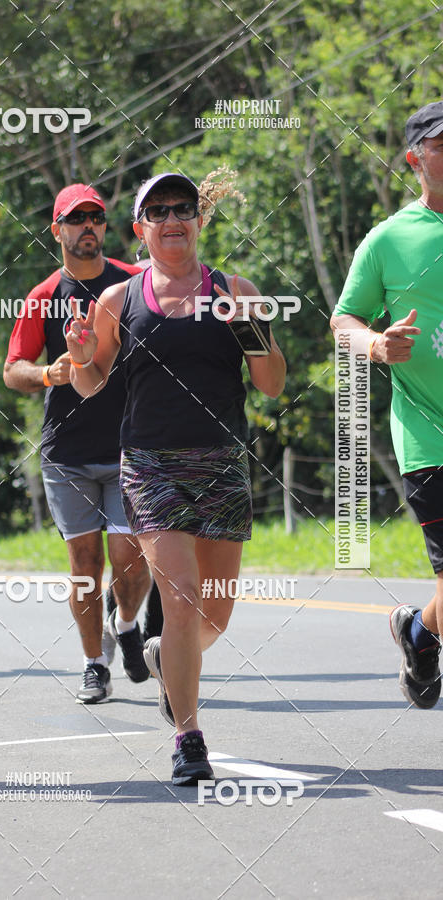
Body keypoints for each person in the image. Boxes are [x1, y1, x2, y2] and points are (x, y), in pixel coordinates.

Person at [68, 171, 286, 784]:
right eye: (157, 210)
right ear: (140, 228)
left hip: (221, 462)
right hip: (150, 466)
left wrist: (251, 324)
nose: (172, 219)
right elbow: (91, 386)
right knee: (183, 598)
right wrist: (83, 353)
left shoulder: (234, 289)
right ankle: (189, 738)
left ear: (198, 219)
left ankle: (169, 656)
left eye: (183, 208)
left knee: (213, 614)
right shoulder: (119, 301)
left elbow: (271, 385)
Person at [4, 183, 162, 705]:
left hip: (129, 446)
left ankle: (128, 620)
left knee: (130, 557)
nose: (87, 226)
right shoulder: (44, 296)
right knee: (84, 564)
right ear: (58, 230)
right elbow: (12, 370)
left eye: (95, 217)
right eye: (76, 219)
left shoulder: (133, 282)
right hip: (66, 452)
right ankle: (95, 663)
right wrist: (49, 373)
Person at [331, 100, 443, 709]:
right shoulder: (390, 240)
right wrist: (375, 343)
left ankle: (419, 632)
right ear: (415, 158)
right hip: (430, 435)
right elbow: (342, 319)